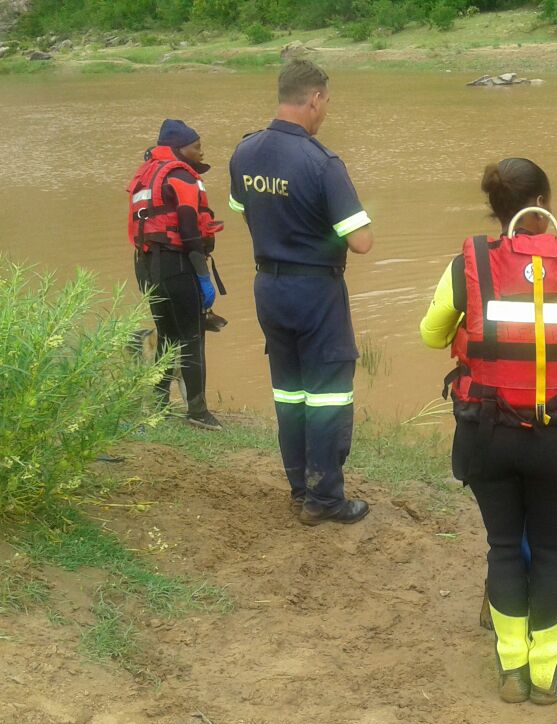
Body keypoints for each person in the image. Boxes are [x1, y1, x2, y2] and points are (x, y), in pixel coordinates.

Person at [420, 158, 557, 704]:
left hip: (487, 433)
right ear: (546, 204)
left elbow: (431, 333)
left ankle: (510, 671)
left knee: (504, 546)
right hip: (556, 440)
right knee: (551, 552)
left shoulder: (469, 266)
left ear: (496, 209)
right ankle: (545, 676)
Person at [228, 59, 375, 526]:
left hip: (268, 286)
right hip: (315, 289)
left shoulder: (244, 152)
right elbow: (361, 241)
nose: (325, 112)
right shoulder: (322, 162)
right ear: (314, 98)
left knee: (289, 393)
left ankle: (299, 488)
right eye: (326, 102)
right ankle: (325, 499)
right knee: (328, 394)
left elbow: (244, 210)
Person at [127, 118, 225, 430]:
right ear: (179, 148)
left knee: (167, 335)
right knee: (192, 338)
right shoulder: (182, 176)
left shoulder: (147, 176)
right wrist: (202, 275)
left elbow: (146, 220)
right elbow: (186, 225)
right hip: (177, 264)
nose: (201, 151)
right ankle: (197, 412)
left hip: (146, 266)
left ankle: (158, 404)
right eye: (196, 146)